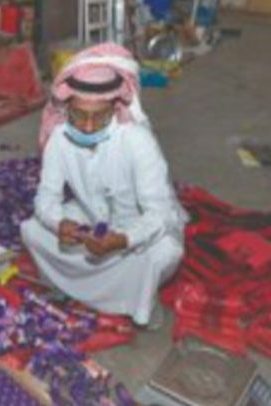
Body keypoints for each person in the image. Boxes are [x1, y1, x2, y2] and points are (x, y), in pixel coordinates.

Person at [20, 43, 187, 329]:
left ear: (115, 107)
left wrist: (122, 239)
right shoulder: (59, 138)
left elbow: (159, 214)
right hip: (92, 221)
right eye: (78, 115)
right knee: (33, 230)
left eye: (99, 116)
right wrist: (59, 224)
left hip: (136, 229)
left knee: (165, 252)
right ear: (67, 107)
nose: (87, 127)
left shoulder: (137, 141)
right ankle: (71, 289)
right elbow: (46, 197)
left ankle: (138, 305)